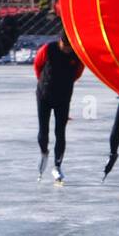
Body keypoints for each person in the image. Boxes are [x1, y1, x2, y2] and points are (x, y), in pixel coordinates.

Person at [33, 34, 85, 182]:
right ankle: (44, 152)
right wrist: (44, 82)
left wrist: (65, 83)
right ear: (60, 41)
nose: (67, 49)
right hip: (44, 95)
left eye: (69, 47)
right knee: (43, 131)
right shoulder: (48, 49)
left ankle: (57, 166)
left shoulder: (77, 54)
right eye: (64, 46)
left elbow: (77, 73)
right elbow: (38, 66)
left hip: (63, 97)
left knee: (60, 132)